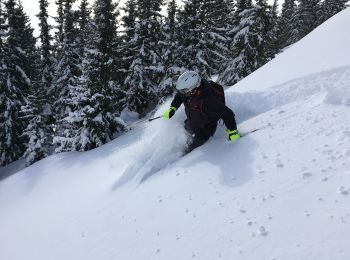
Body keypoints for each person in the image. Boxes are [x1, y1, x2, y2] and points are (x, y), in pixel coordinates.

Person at [163, 70, 240, 154]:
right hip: (191, 122)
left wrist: (233, 133)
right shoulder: (188, 92)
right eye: (182, 91)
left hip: (204, 130)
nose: (182, 93)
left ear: (194, 88)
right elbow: (179, 96)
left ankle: (180, 159)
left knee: (190, 150)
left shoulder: (208, 101)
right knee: (184, 133)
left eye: (184, 91)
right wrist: (173, 108)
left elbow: (227, 114)